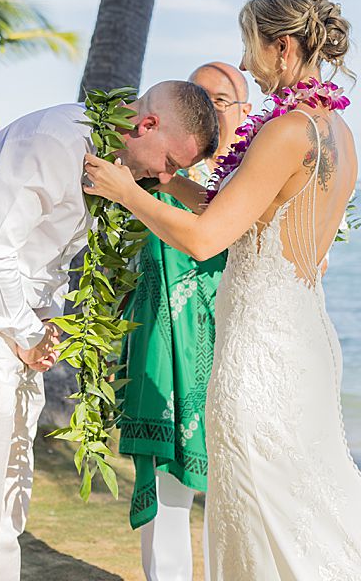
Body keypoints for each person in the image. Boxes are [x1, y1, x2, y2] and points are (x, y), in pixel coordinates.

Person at [83, 0, 361, 580]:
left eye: (250, 47)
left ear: (283, 47)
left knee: (268, 505)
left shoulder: (287, 131)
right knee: (304, 501)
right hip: (304, 335)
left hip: (259, 348)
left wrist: (125, 192)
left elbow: (206, 239)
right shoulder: (338, 133)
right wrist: (163, 180)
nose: (244, 65)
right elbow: (240, 216)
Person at [0, 81, 218, 581]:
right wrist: (30, 335)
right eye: (171, 162)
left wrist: (45, 323)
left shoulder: (108, 161)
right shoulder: (54, 142)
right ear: (147, 124)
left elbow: (39, 257)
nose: (168, 175)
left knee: (9, 502)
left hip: (7, 327)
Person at [118, 62, 253, 581]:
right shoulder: (152, 170)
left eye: (222, 98)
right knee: (170, 488)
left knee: (236, 491)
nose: (210, 104)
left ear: (243, 113)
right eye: (200, 95)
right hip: (163, 337)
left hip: (229, 337)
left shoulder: (253, 182)